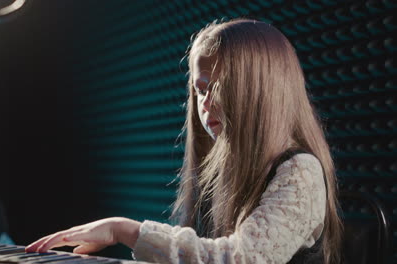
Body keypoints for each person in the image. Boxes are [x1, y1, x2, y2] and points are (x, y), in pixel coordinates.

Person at [25, 18, 343, 263]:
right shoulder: (225, 167)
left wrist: (124, 229)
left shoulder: (301, 171)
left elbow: (241, 259)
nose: (205, 103)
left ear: (260, 91)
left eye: (220, 88)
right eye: (201, 89)